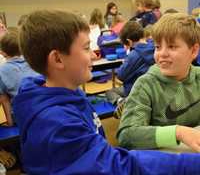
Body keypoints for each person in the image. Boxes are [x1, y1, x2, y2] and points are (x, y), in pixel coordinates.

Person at [13, 10, 200, 175]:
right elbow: (119, 164)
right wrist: (189, 162)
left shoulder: (69, 94)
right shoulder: (57, 125)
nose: (95, 55)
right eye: (87, 48)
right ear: (58, 59)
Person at [117, 13, 200, 152]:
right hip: (162, 162)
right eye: (157, 46)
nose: (162, 53)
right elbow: (126, 136)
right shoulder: (145, 85)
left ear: (193, 50)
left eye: (172, 46)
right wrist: (178, 133)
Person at [106, 21, 155, 105]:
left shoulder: (133, 55)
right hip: (152, 91)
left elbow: (121, 76)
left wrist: (127, 59)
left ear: (129, 42)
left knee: (110, 92)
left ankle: (122, 102)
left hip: (134, 91)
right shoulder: (155, 48)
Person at [0, 27, 38, 126]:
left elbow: (4, 100)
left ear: (2, 52)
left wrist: (10, 123)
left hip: (22, 116)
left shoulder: (1, 71)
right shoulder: (34, 62)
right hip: (42, 109)